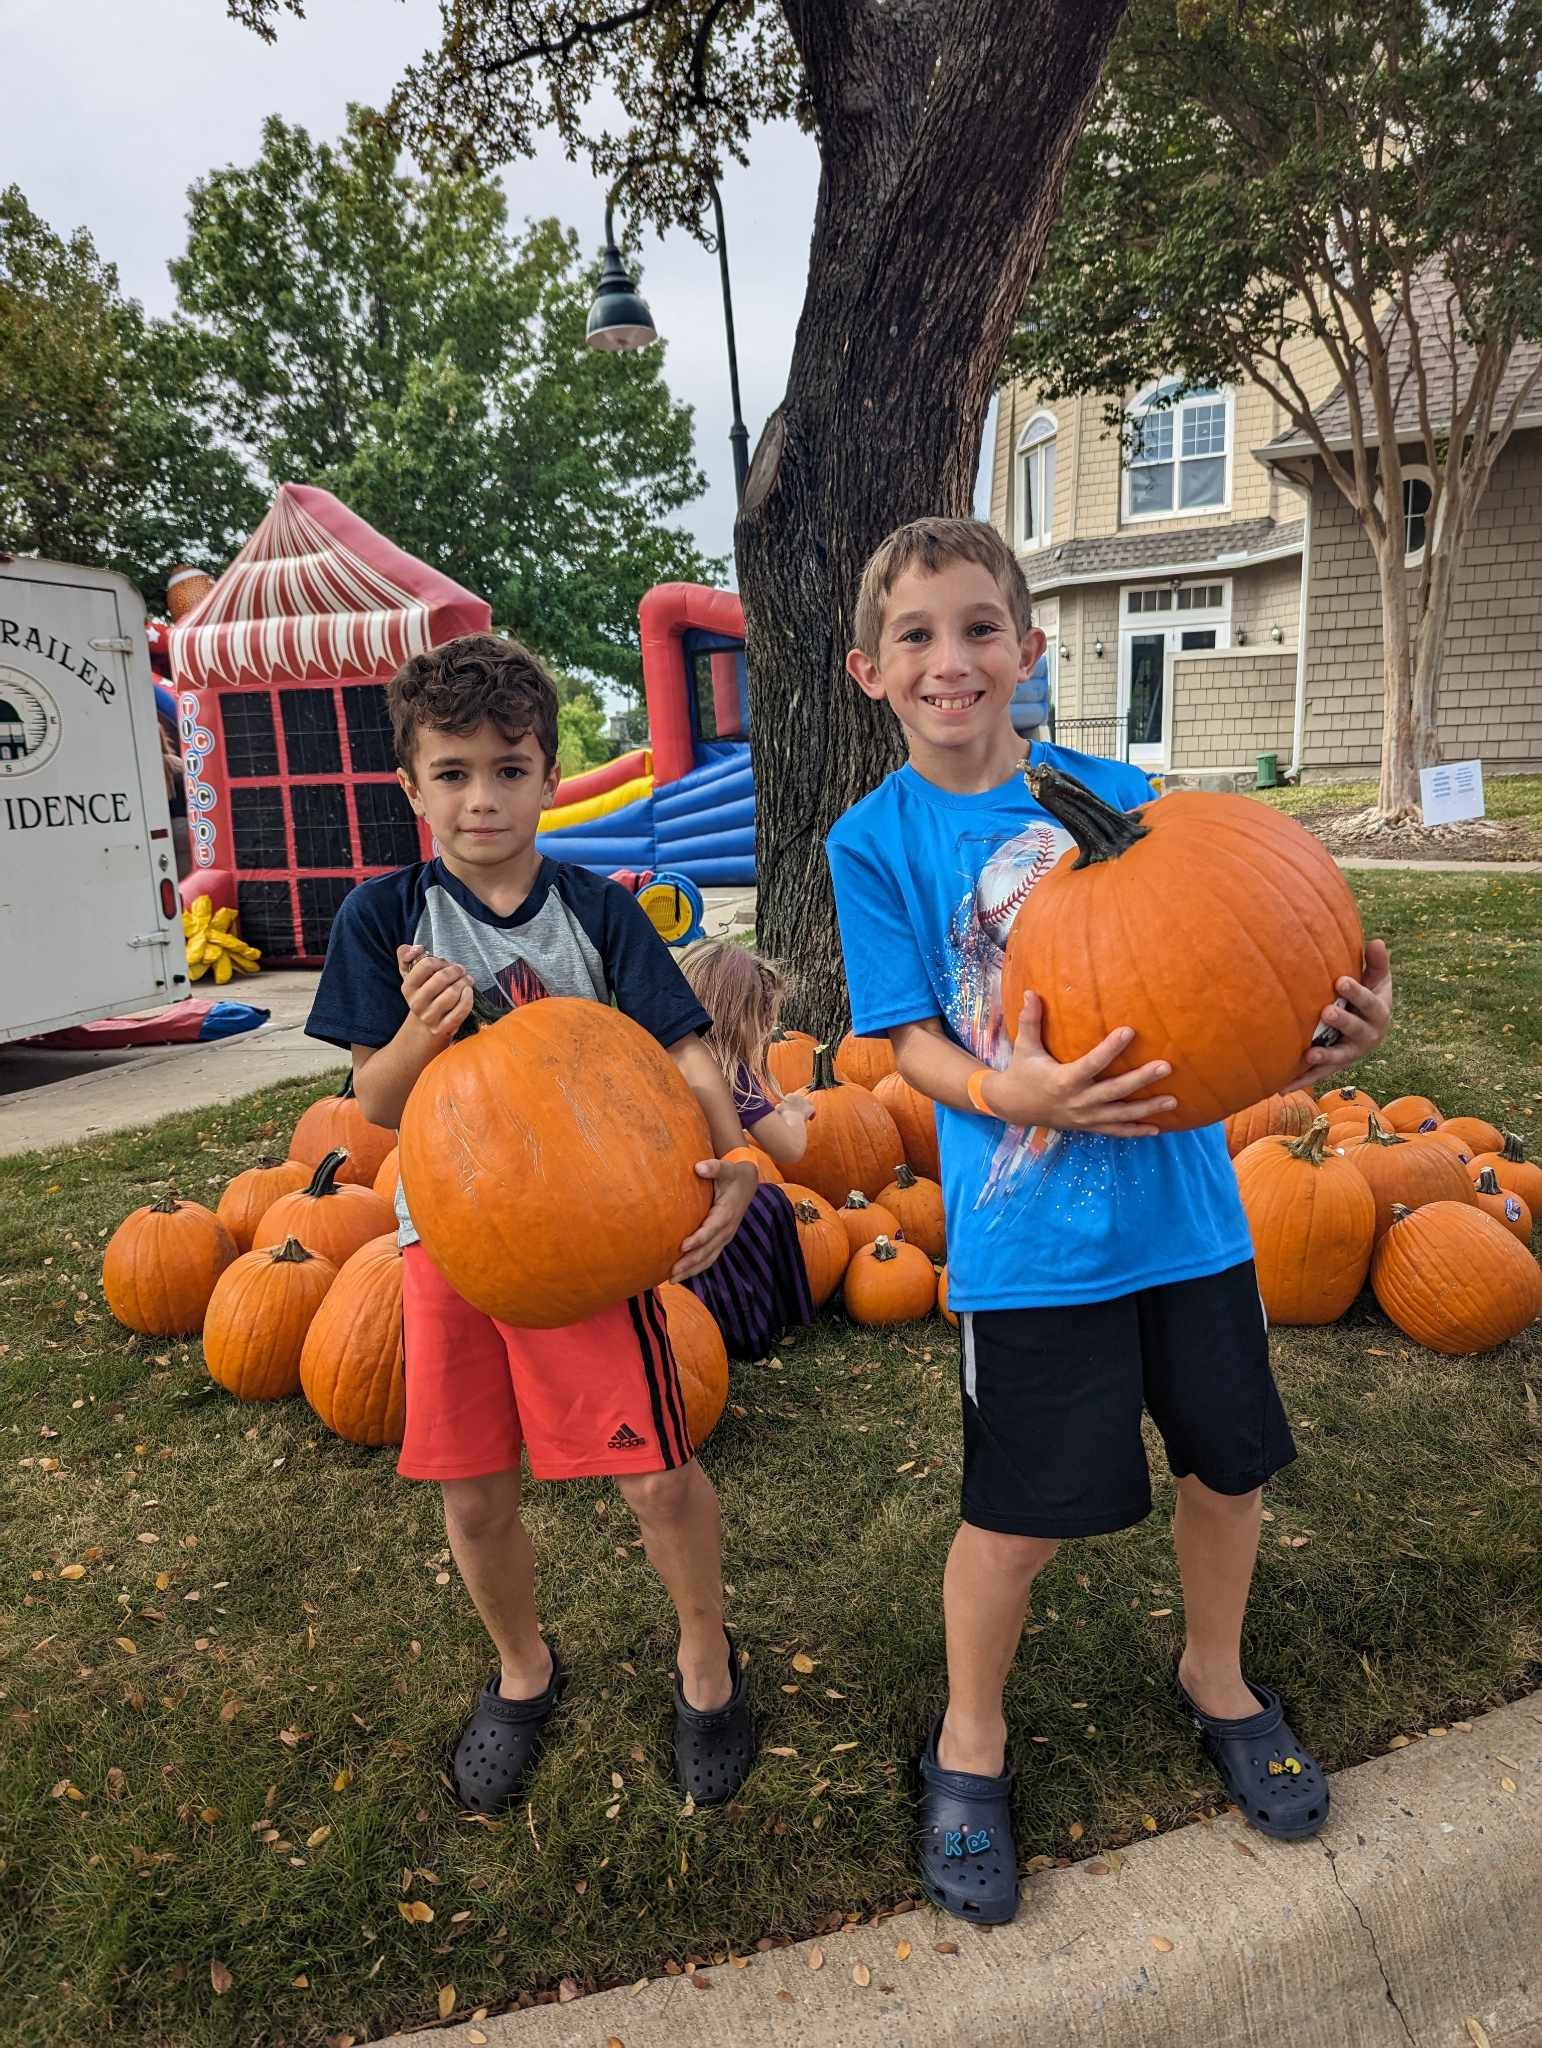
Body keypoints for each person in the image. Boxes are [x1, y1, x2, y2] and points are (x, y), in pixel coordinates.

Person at [824, 517, 1392, 1924]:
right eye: (917, 636)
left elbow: (1231, 967)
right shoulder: (873, 841)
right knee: (1015, 1522)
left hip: (1189, 1226)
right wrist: (1011, 1087)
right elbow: (905, 1041)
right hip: (1030, 1251)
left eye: (977, 628)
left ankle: (1216, 1675)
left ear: (1027, 647)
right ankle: (970, 1738)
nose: (951, 660)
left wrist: (1323, 1033)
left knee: (1227, 1469)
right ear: (867, 670)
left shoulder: (1120, 791)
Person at [305, 634, 760, 1815]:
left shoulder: (596, 913)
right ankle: (522, 1668)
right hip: (448, 1242)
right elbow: (378, 1102)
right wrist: (420, 1029)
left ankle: (706, 1660)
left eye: (507, 768)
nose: (481, 797)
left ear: (549, 775)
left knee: (657, 1476)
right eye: (451, 773)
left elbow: (683, 1044)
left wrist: (736, 1155)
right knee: (472, 1490)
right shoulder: (385, 917)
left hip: (590, 1241)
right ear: (411, 787)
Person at [675, 938, 816, 1360]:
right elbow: (789, 1149)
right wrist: (795, 1110)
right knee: (767, 1204)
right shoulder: (731, 1078)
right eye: (764, 1017)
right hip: (709, 1205)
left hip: (661, 1203)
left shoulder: (657, 1059)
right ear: (742, 1018)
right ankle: (743, 1322)